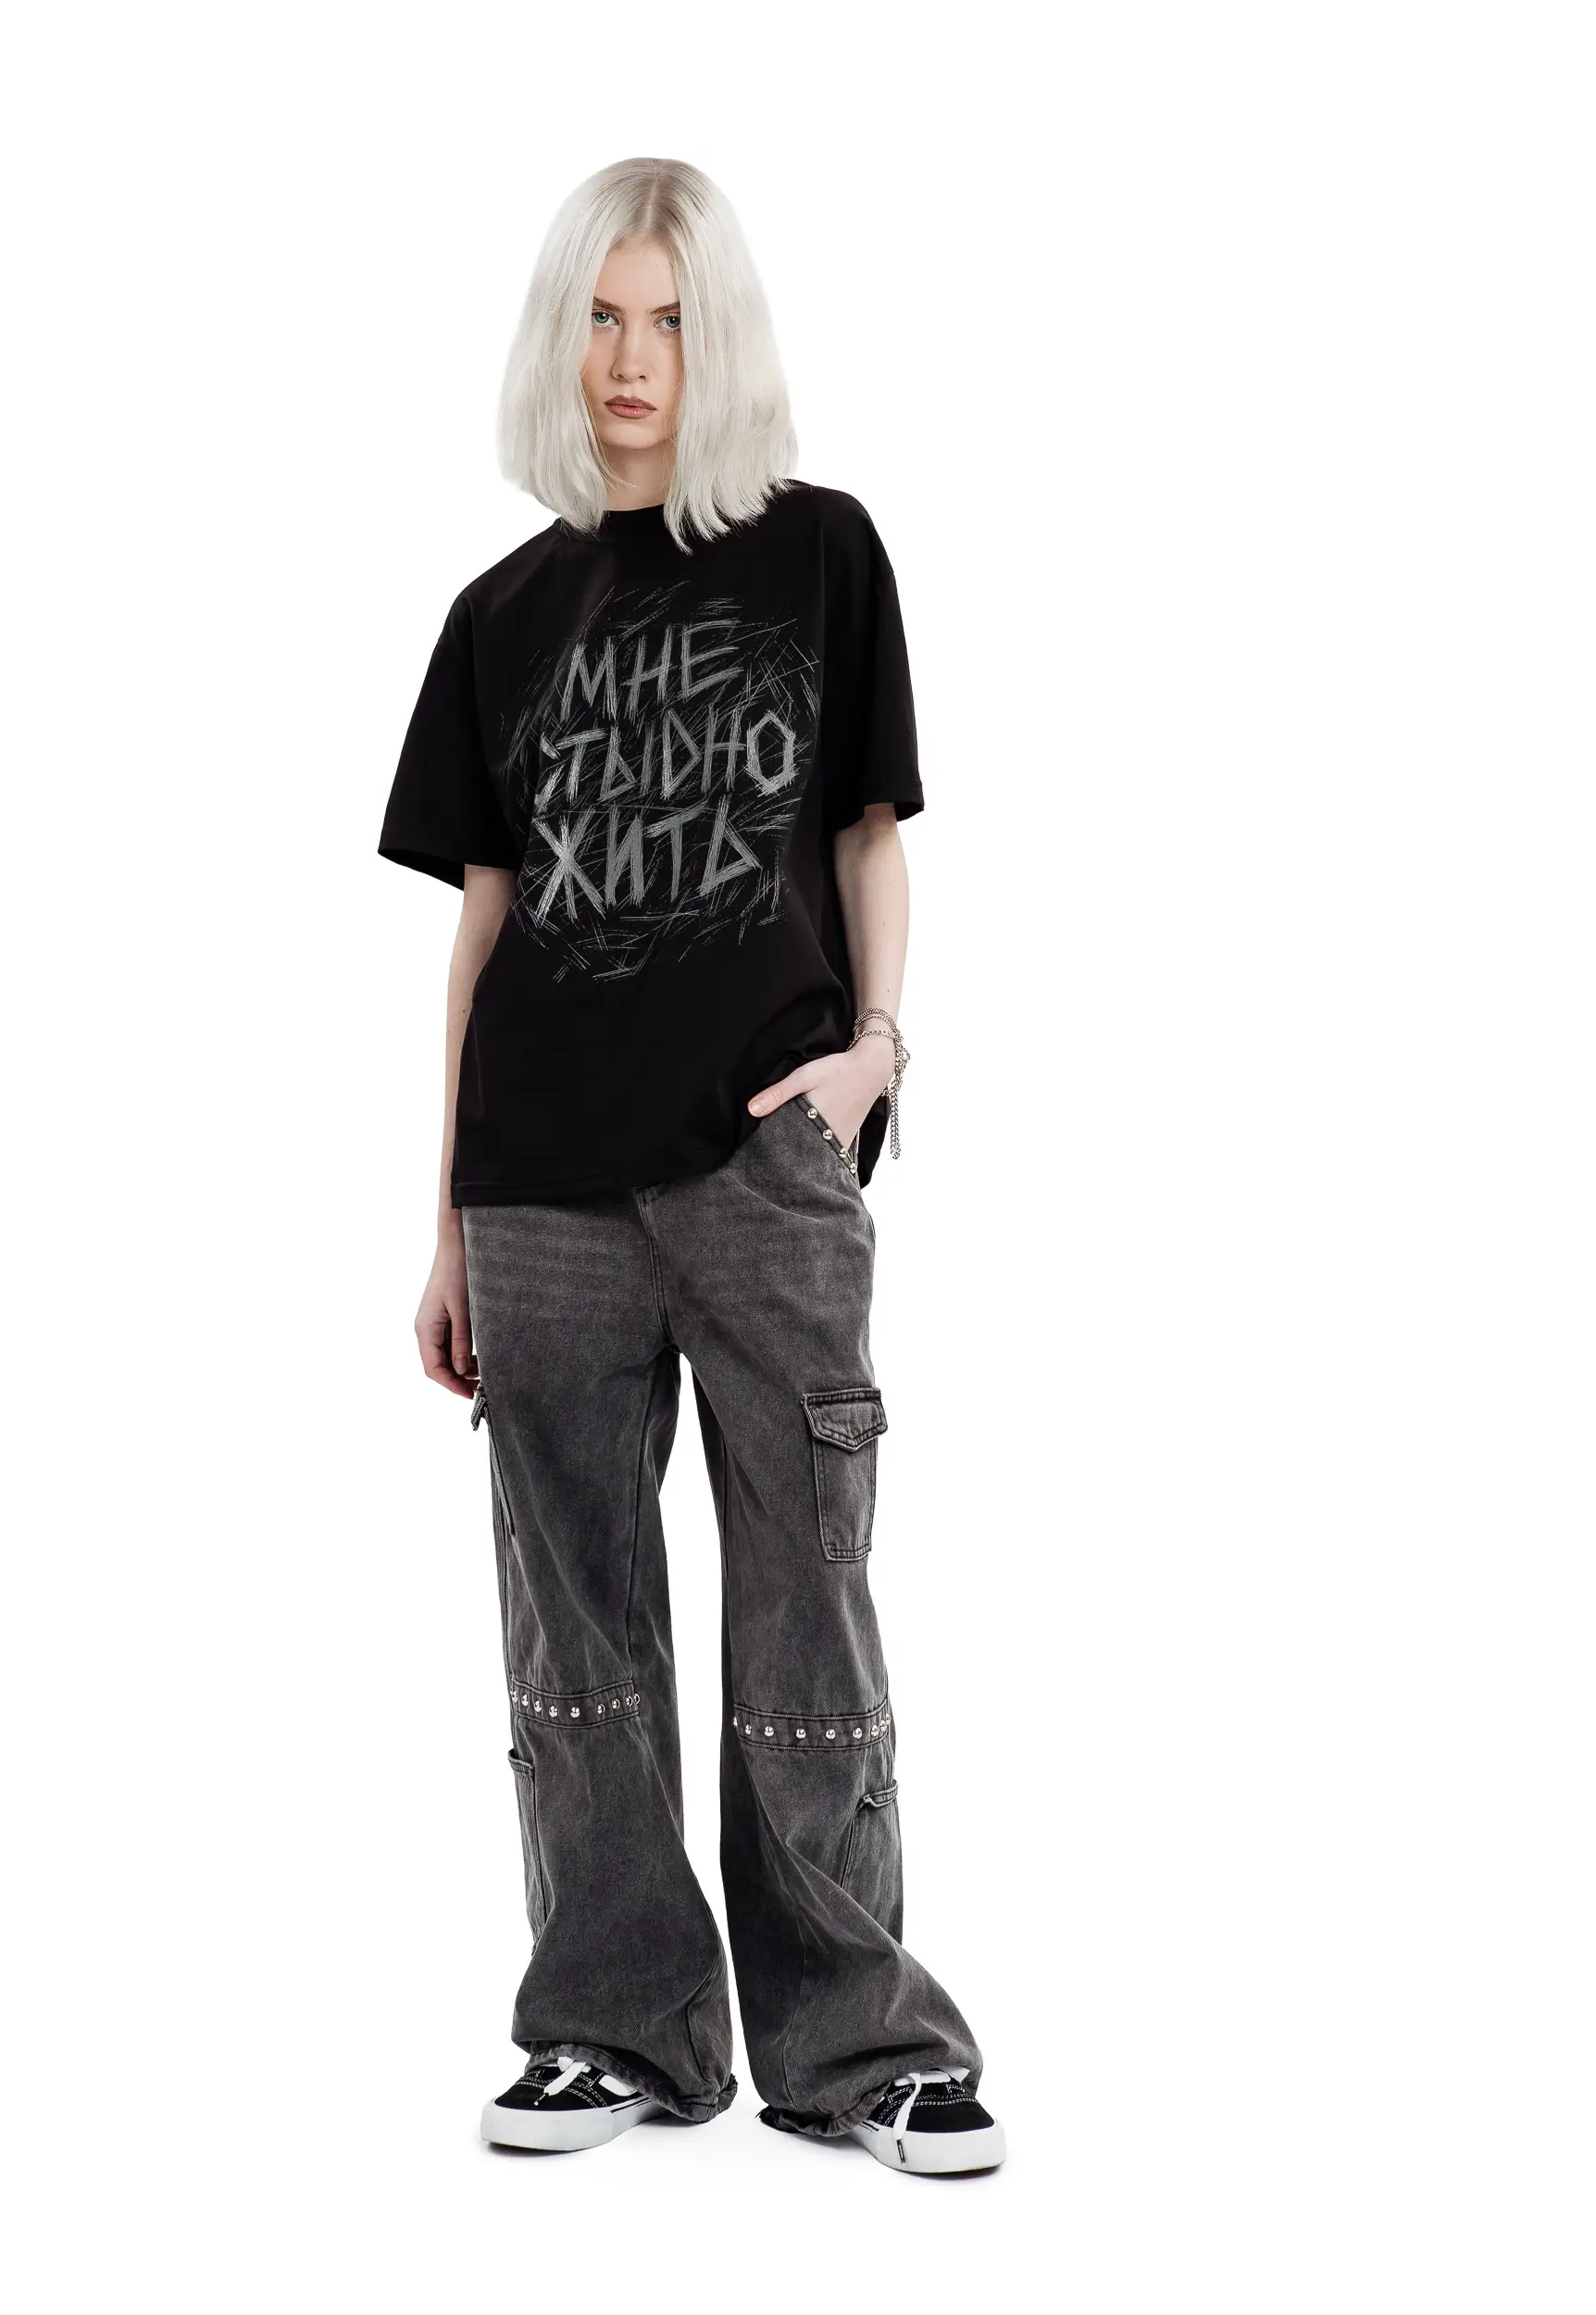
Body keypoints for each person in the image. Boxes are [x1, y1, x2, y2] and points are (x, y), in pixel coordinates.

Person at [378, 156, 1003, 2178]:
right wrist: (443, 1222)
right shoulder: (499, 617)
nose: (629, 357)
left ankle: (860, 2045)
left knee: (808, 1594)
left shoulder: (821, 554)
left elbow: (868, 831)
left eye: (664, 317)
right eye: (598, 315)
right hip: (539, 1186)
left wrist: (875, 1054)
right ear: (559, 337)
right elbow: (482, 928)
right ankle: (613, 2027)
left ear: (713, 336)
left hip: (762, 1164)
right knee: (573, 1621)